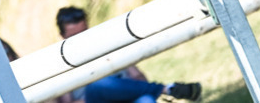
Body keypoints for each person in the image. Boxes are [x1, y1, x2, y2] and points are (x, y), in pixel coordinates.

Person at [53, 7, 202, 103]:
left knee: (147, 100)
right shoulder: (61, 66)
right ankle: (166, 89)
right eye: (74, 36)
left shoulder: (107, 47)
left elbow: (141, 79)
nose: (81, 39)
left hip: (129, 99)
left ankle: (167, 89)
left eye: (84, 33)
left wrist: (124, 89)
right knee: (98, 85)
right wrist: (108, 92)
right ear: (62, 36)